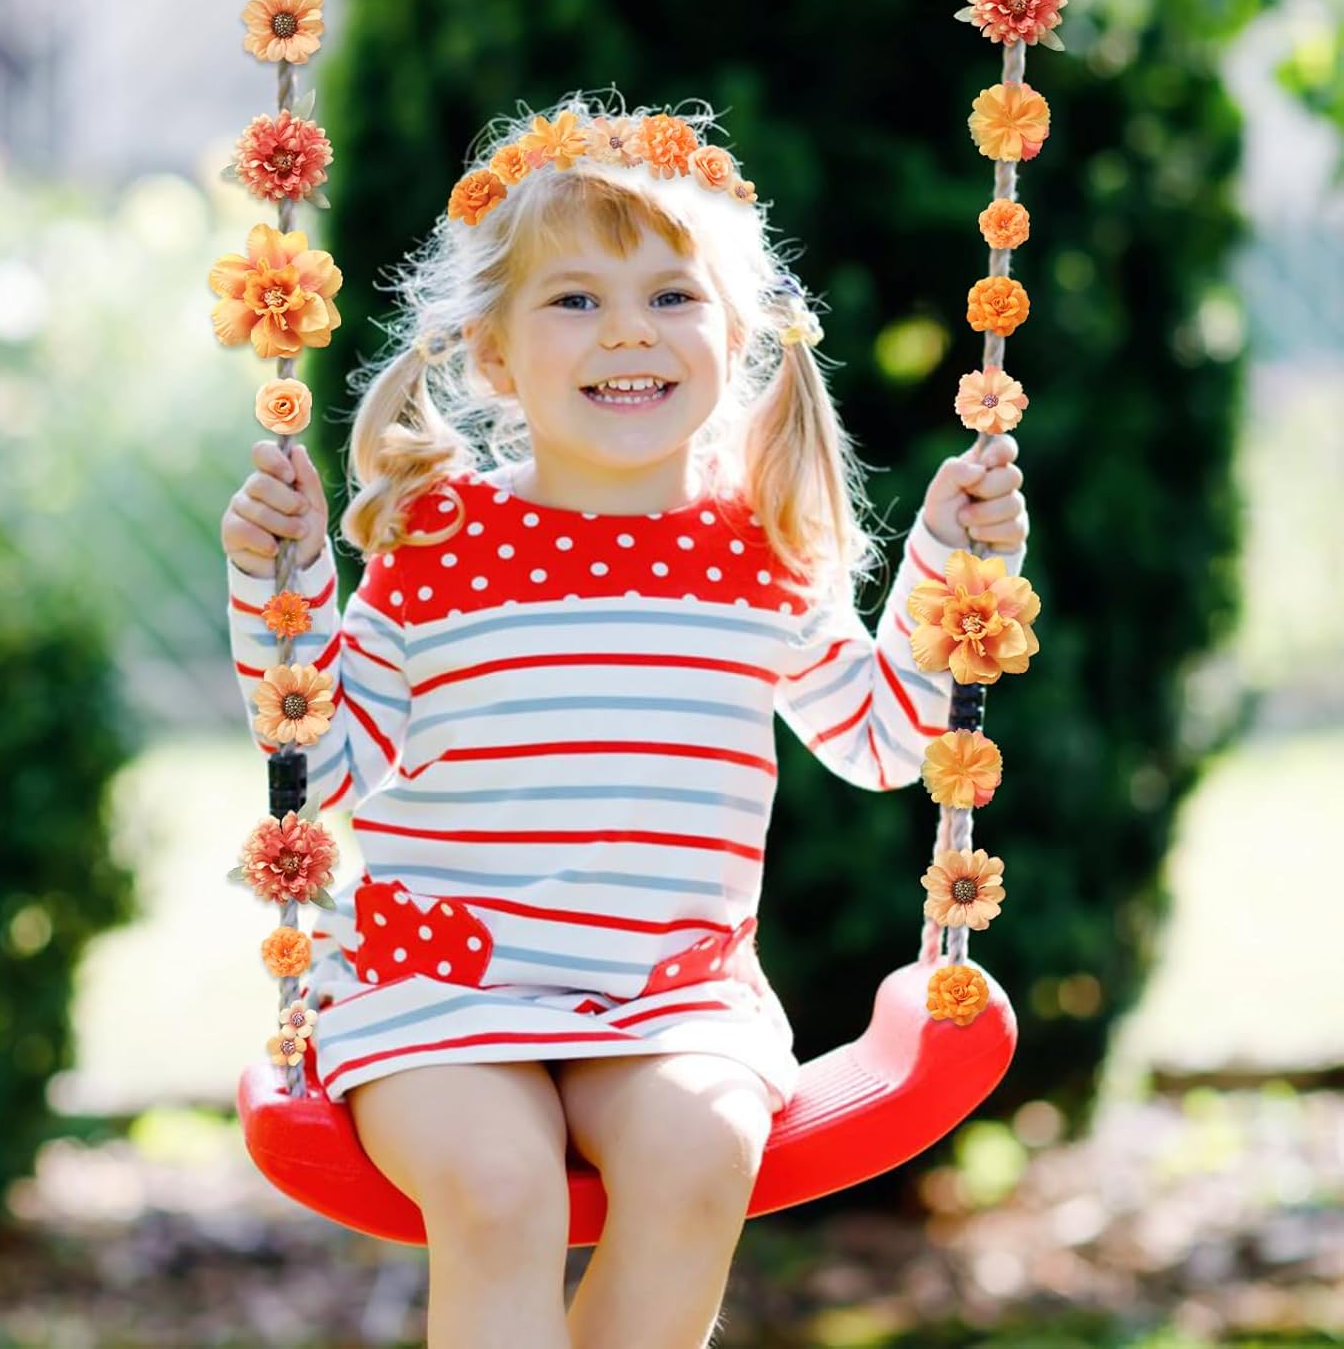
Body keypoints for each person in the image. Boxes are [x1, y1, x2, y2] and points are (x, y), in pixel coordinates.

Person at [220, 93, 1029, 1349]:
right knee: (501, 1190)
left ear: (735, 333)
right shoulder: (440, 545)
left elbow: (882, 741)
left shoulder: (761, 550)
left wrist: (947, 563)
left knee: (703, 1155)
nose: (628, 331)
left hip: (669, 997)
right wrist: (283, 587)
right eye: (574, 299)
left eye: (669, 294)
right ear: (495, 357)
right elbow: (323, 763)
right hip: (442, 989)